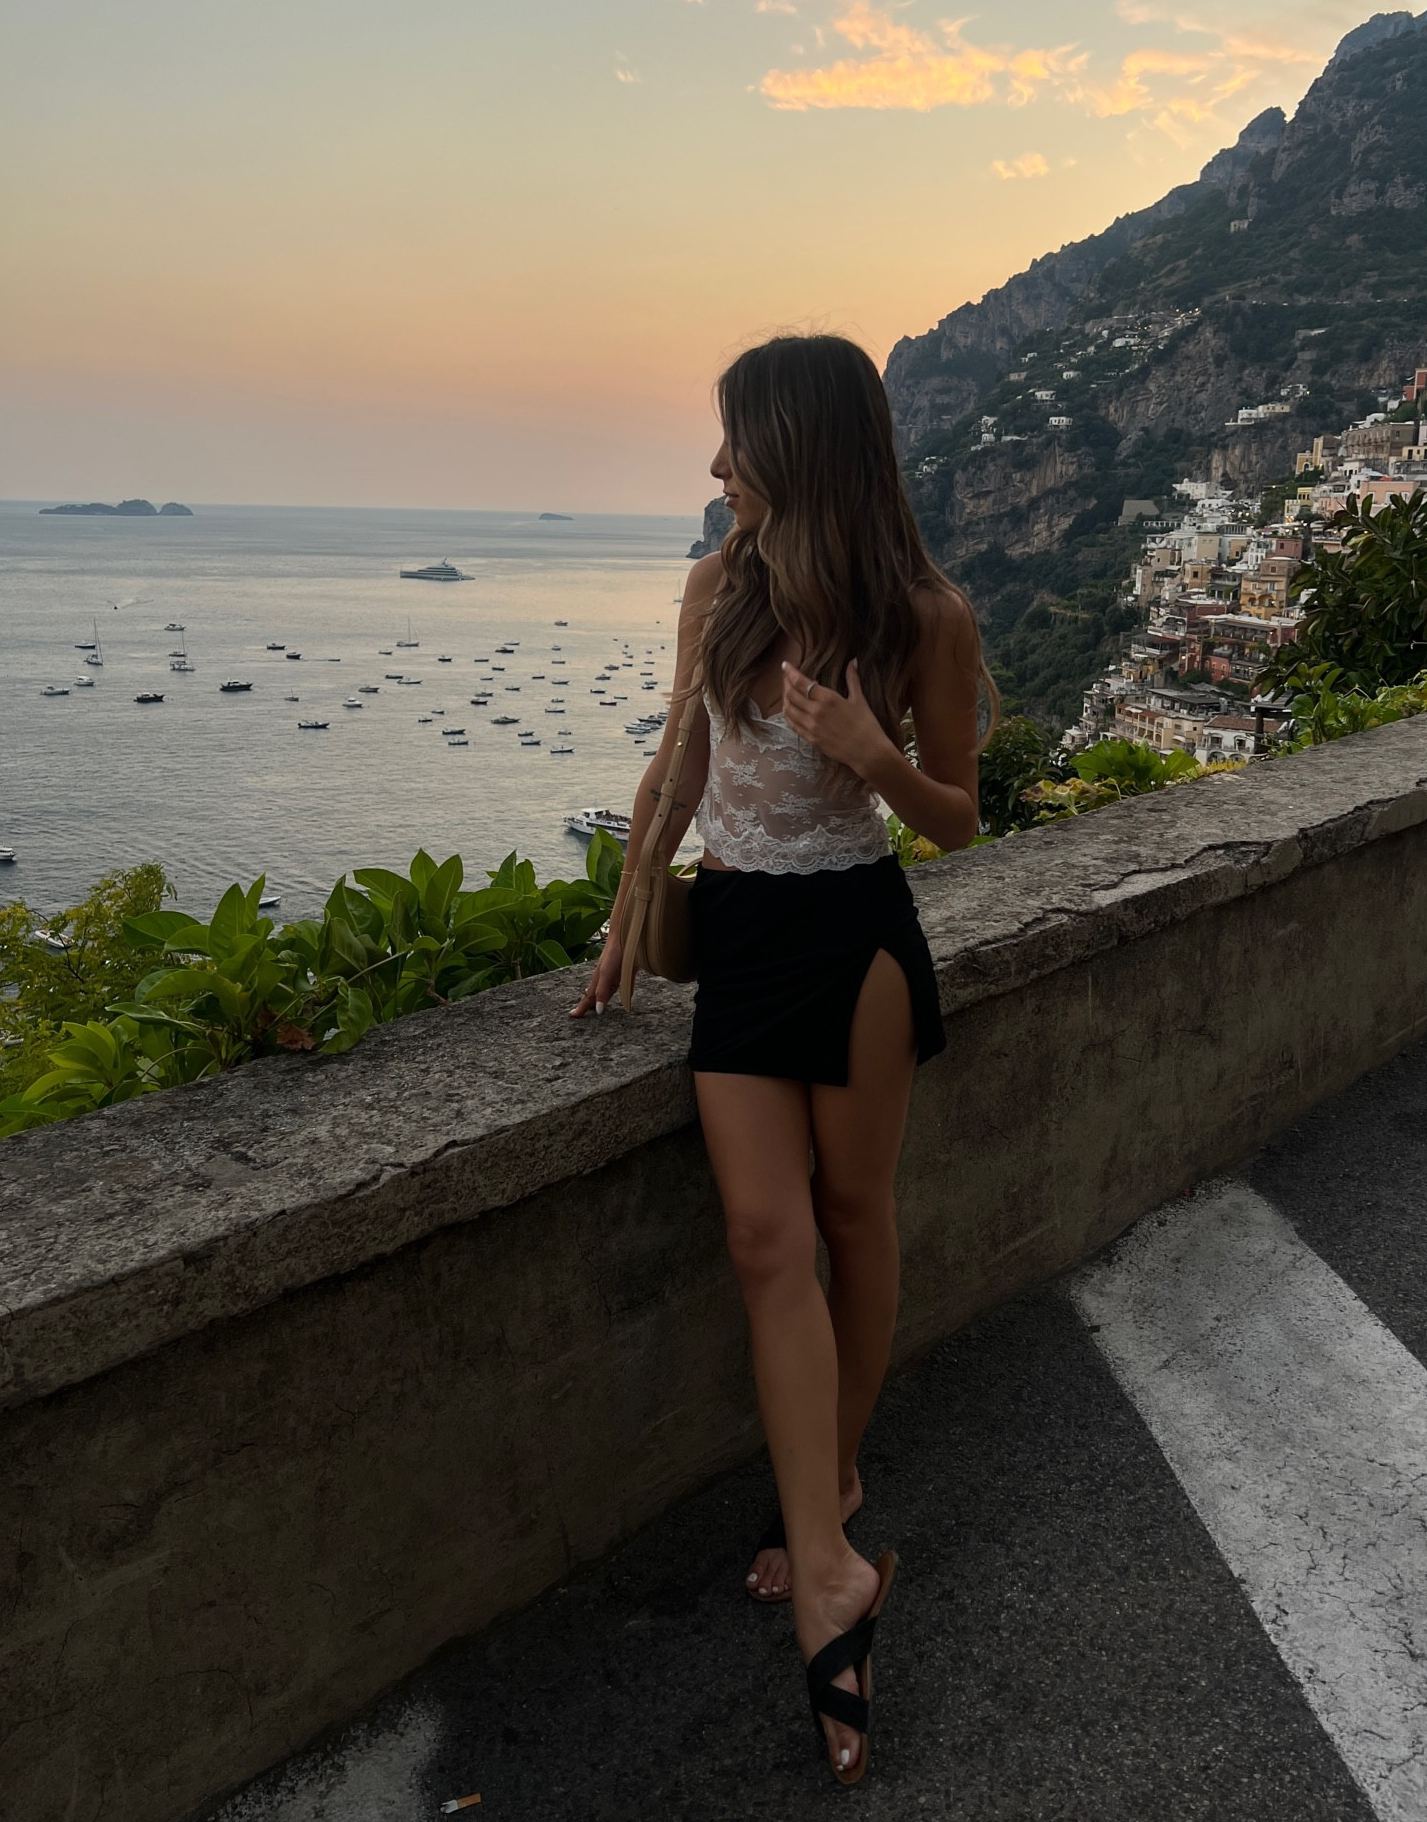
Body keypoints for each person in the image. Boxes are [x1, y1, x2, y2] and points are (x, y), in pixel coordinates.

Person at [571, 333, 997, 1784]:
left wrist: (868, 752)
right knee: (766, 1239)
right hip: (744, 940)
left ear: (799, 452)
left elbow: (954, 820)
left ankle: (832, 1485)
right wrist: (634, 913)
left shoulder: (926, 617)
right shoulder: (716, 591)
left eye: (734, 445)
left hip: (859, 941)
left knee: (853, 1216)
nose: (714, 471)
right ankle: (831, 1561)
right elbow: (677, 771)